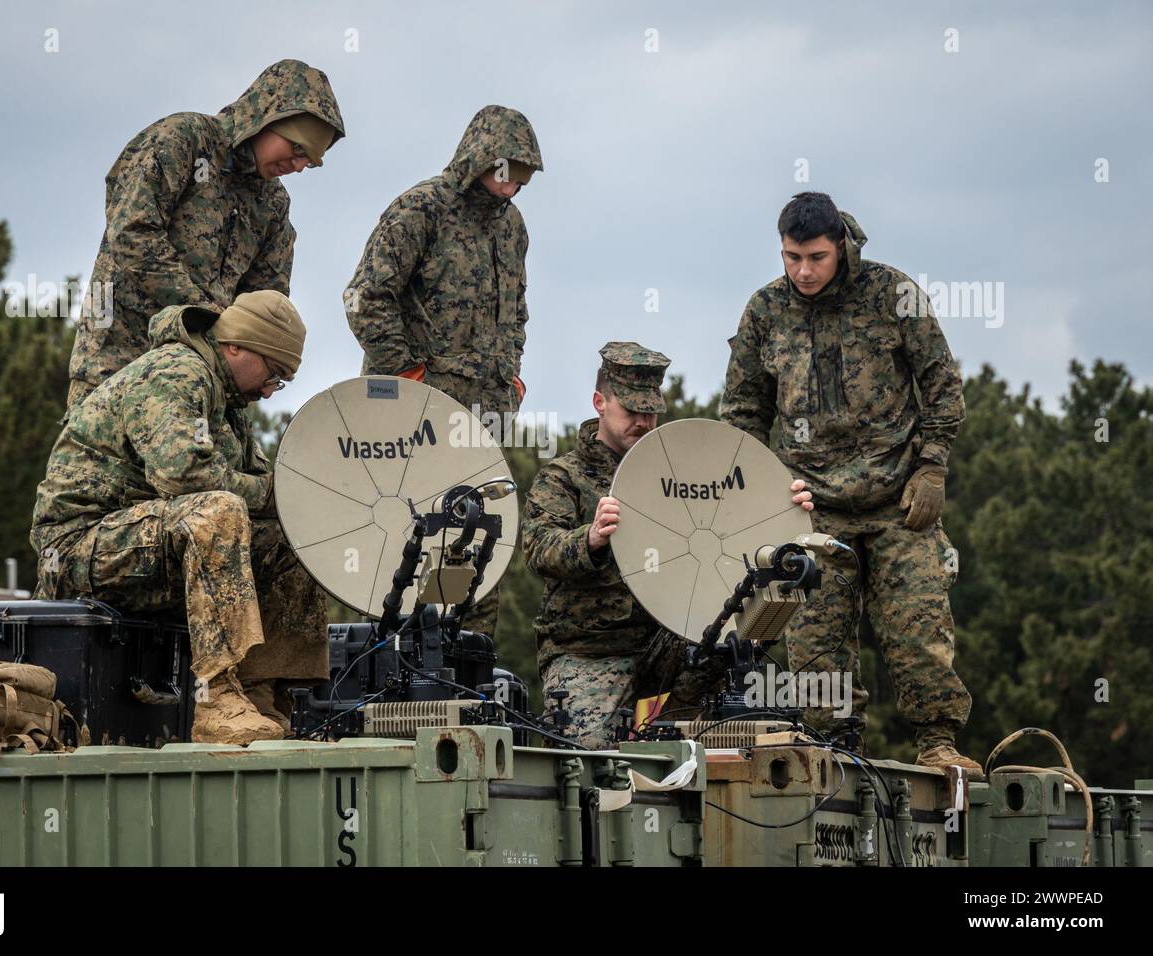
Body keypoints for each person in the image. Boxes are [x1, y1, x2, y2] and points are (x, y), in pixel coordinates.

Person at [720, 191, 983, 777]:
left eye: (815, 257)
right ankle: (836, 757)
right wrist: (767, 493)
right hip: (811, 508)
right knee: (814, 651)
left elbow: (942, 384)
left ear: (841, 245)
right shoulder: (765, 311)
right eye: (791, 257)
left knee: (920, 631)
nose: (803, 271)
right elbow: (742, 412)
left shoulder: (893, 295)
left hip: (898, 502)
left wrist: (933, 464)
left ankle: (938, 743)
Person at [31, 290, 327, 745]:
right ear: (236, 346)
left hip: (148, 539)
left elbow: (265, 485)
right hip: (79, 549)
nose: (270, 390)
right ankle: (217, 701)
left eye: (282, 381)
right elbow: (185, 476)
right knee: (218, 511)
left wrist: (304, 497)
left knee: (295, 535)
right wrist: (277, 493)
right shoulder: (176, 372)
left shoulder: (228, 403)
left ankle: (260, 695)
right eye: (274, 373)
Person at [522, 342, 814, 749]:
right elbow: (538, 549)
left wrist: (783, 506)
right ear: (599, 403)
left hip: (664, 642)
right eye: (631, 411)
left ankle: (671, 734)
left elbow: (734, 515)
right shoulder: (564, 478)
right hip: (588, 649)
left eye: (650, 411)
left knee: (737, 627)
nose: (643, 422)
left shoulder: (681, 471)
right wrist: (589, 539)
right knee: (585, 756)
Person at [344, 105, 542, 642]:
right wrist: (404, 374)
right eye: (505, 173)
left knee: (477, 539)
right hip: (415, 421)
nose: (511, 189)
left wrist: (512, 375)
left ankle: (464, 666)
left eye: (522, 178)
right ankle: (382, 667)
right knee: (403, 539)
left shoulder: (514, 228)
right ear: (478, 158)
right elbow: (365, 296)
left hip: (484, 424)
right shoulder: (421, 209)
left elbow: (517, 310)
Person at [65, 59, 345, 410]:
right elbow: (131, 230)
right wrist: (206, 316)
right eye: (298, 149)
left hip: (201, 387)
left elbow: (264, 304)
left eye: (311, 161)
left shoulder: (273, 206)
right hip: (119, 363)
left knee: (195, 468)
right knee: (98, 465)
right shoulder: (184, 141)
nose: (299, 165)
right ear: (268, 118)